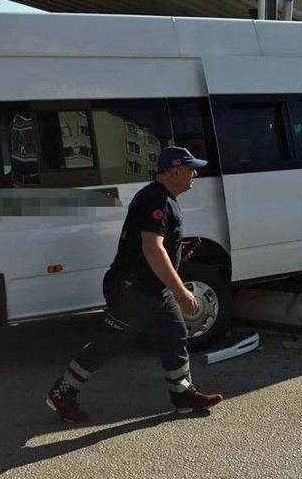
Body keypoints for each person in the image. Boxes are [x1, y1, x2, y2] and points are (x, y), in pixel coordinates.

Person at [45, 146, 222, 423]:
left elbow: (154, 247)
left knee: (175, 336)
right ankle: (61, 394)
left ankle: (183, 396)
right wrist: (181, 291)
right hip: (134, 290)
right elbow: (152, 249)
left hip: (154, 289)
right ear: (175, 171)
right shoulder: (157, 200)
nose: (195, 174)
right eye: (190, 169)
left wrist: (176, 256)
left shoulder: (161, 197)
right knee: (108, 343)